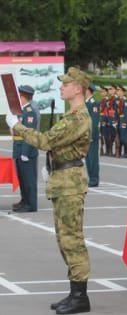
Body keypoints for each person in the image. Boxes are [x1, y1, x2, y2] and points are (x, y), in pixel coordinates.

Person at [6, 67, 92, 314]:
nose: (62, 87)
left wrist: (18, 126)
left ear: (78, 88)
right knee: (64, 239)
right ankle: (74, 293)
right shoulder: (72, 115)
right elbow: (54, 148)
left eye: (66, 84)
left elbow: (45, 141)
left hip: (69, 184)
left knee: (72, 240)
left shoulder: (78, 118)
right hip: (62, 179)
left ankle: (80, 297)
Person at [11, 85, 39, 213]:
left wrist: (25, 152)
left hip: (26, 151)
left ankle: (31, 204)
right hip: (19, 148)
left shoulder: (30, 111)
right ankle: (24, 201)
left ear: (23, 97)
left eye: (19, 96)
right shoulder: (21, 111)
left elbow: (29, 133)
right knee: (22, 178)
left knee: (29, 179)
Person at [85, 84, 100, 187]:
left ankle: (94, 179)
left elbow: (94, 121)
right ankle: (90, 177)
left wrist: (91, 135)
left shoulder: (93, 103)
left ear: (88, 90)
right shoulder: (86, 102)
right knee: (88, 158)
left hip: (91, 135)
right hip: (86, 135)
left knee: (92, 158)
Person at [115, 84, 127, 158]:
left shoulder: (125, 102)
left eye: (119, 90)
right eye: (117, 90)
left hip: (125, 122)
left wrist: (124, 123)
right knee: (120, 137)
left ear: (123, 92)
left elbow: (126, 113)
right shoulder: (118, 100)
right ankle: (120, 152)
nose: (117, 92)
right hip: (119, 121)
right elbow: (116, 112)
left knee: (125, 138)